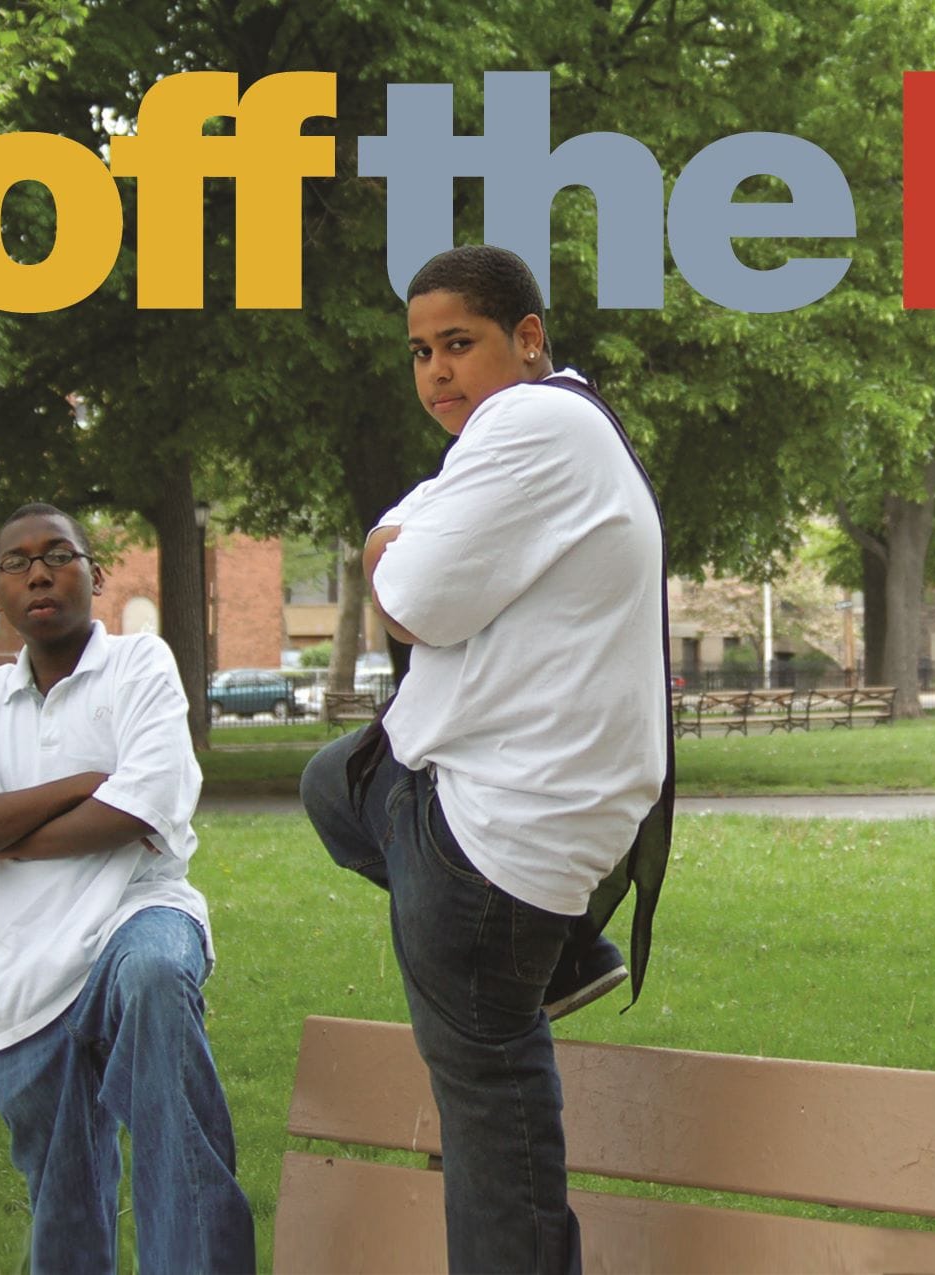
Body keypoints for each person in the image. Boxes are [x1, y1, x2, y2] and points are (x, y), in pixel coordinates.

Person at [300, 243, 669, 1274]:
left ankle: (549, 956)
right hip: (546, 820)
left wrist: (388, 554)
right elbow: (418, 541)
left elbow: (413, 601)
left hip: (494, 835)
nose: (437, 373)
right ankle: (561, 956)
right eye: (420, 352)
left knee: (493, 1130)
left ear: (529, 340)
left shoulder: (529, 423)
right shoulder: (568, 429)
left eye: (459, 344)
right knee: (335, 784)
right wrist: (399, 542)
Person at [0, 503, 254, 1275]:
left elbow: (144, 804)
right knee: (63, 1209)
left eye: (58, 554)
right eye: (17, 561)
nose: (38, 571)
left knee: (157, 976)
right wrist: (81, 785)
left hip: (138, 918)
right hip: (22, 973)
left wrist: (10, 835)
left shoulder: (140, 665)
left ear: (96, 576)